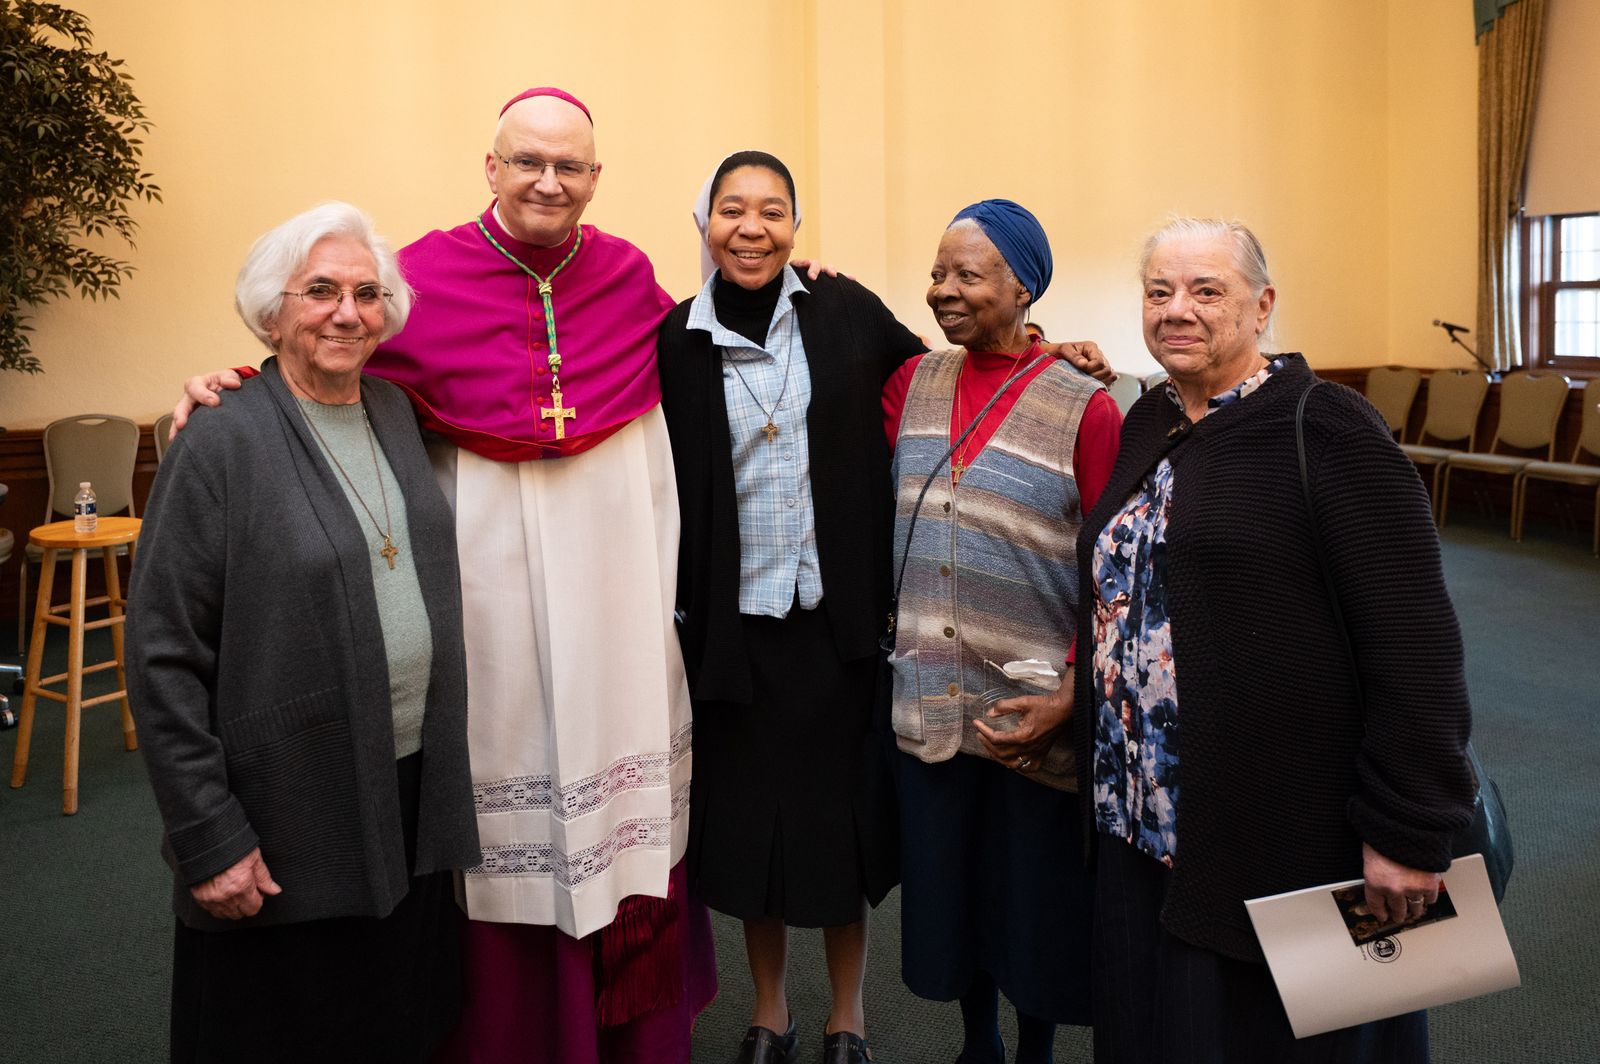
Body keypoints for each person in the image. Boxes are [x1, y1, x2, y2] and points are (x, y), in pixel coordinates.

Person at [172, 88, 715, 1064]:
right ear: (491, 165)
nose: (548, 181)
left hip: (612, 618)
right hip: (482, 633)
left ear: (595, 177)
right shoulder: (418, 278)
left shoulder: (628, 274)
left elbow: (712, 354)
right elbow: (315, 371)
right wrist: (226, 386)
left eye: (571, 166)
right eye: (527, 161)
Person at [1076, 218, 1476, 1063]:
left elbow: (1415, 644)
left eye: (1206, 290)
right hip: (1142, 822)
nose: (1177, 310)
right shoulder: (1150, 418)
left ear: (1263, 306)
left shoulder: (1327, 428)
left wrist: (1408, 829)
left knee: (1278, 1037)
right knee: (1158, 1029)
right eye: (1159, 291)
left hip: (1275, 832)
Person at [125, 202, 481, 1062]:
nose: (347, 312)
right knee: (291, 1027)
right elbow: (162, 653)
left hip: (407, 784)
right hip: (289, 805)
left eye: (366, 292)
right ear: (271, 308)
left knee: (395, 1015)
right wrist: (209, 836)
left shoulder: (396, 413)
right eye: (320, 290)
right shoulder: (219, 439)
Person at [881, 199, 1122, 1064]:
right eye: (938, 272)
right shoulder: (911, 384)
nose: (944, 290)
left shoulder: (1084, 408)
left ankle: (1034, 1051)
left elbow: (1112, 569)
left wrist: (1071, 684)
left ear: (1023, 287)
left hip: (1029, 709)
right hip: (932, 700)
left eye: (967, 275)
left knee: (1034, 902)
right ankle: (975, 1043)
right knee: (954, 894)